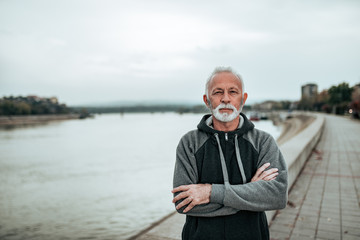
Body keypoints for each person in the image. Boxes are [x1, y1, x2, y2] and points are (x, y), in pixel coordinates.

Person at [172, 67, 288, 240]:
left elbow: (277, 196)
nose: (225, 99)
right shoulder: (189, 143)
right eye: (218, 92)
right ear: (207, 100)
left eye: (233, 92)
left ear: (243, 99)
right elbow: (183, 203)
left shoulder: (263, 142)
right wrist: (251, 193)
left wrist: (210, 192)